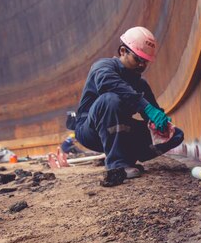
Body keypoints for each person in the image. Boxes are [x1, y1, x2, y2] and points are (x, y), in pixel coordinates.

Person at [74, 26, 184, 186]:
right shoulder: (103, 67)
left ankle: (128, 158)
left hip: (120, 131)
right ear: (123, 51)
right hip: (90, 131)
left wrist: (160, 122)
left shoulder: (141, 84)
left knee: (175, 135)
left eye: (145, 61)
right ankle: (117, 165)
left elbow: (152, 112)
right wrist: (145, 107)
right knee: (110, 100)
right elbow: (108, 83)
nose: (141, 65)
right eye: (138, 59)